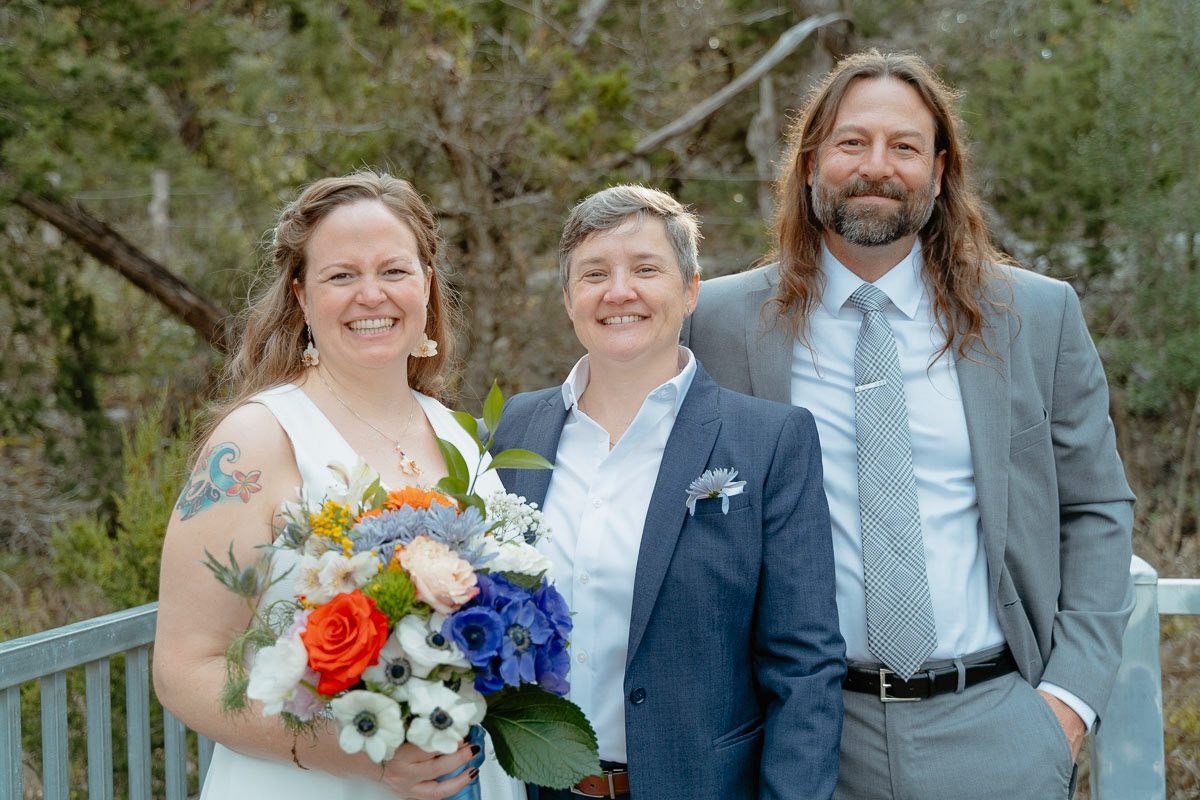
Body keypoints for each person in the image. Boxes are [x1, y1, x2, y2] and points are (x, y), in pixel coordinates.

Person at [683, 50, 1135, 799]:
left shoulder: (1036, 316)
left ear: (939, 169)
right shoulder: (719, 324)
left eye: (904, 146)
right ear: (810, 163)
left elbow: (1095, 508)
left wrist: (1069, 703)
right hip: (806, 739)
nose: (876, 166)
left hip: (999, 728)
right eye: (852, 142)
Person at [154, 170, 526, 800]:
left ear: (426, 284)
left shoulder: (458, 433)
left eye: (394, 271)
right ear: (301, 296)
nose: (371, 295)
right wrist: (352, 753)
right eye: (341, 275)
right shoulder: (256, 439)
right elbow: (183, 669)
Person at [490, 185, 846, 800]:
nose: (618, 291)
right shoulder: (516, 429)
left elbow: (805, 667)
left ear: (690, 291)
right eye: (594, 273)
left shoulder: (769, 441)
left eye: (646, 269)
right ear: (568, 299)